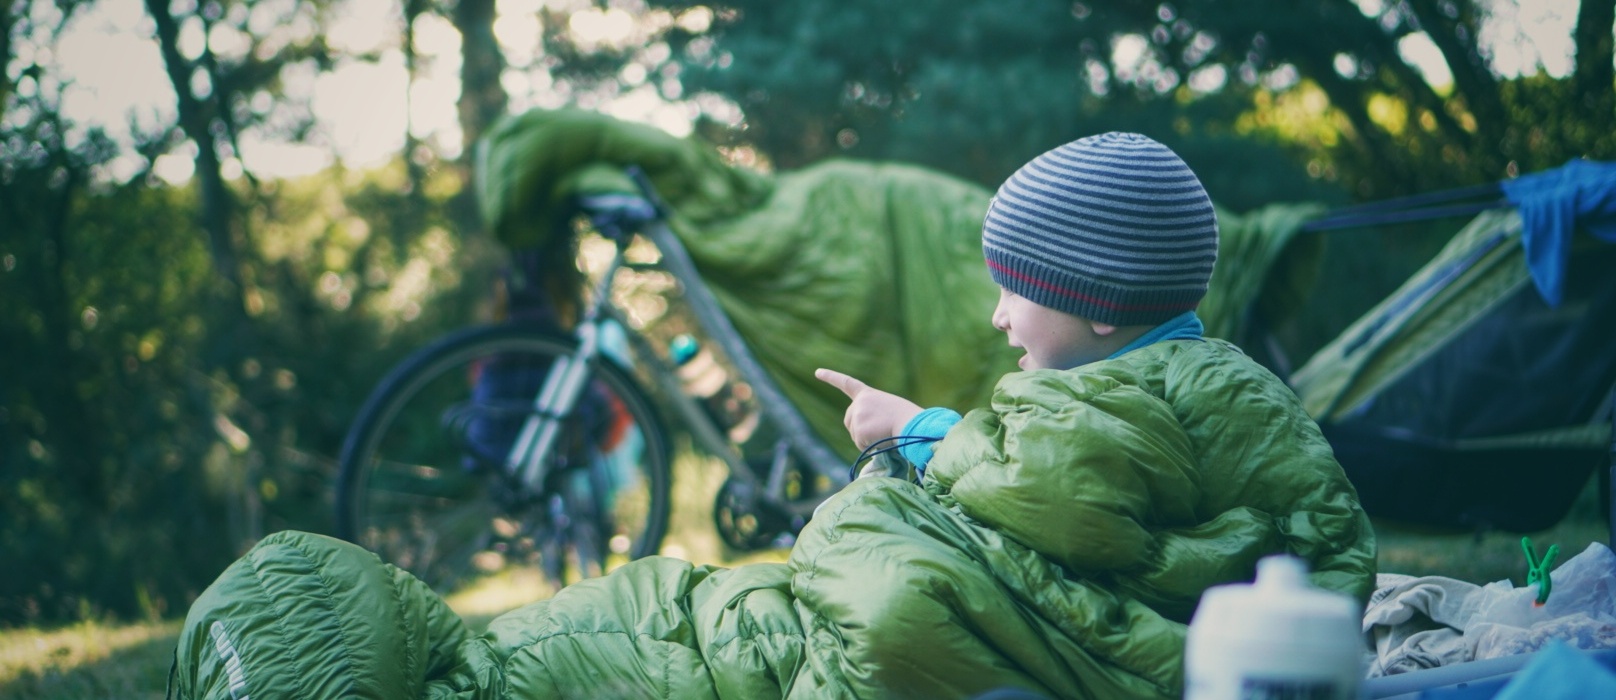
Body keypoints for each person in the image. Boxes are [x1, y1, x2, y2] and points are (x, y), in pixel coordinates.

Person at [170, 133, 1375, 700]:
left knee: (698, 634)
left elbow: (1064, 498)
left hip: (938, 620)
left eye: (1018, 290)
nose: (1001, 316)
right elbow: (1105, 502)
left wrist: (912, 433)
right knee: (677, 616)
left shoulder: (1138, 394)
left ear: (1096, 306)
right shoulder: (1173, 379)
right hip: (996, 595)